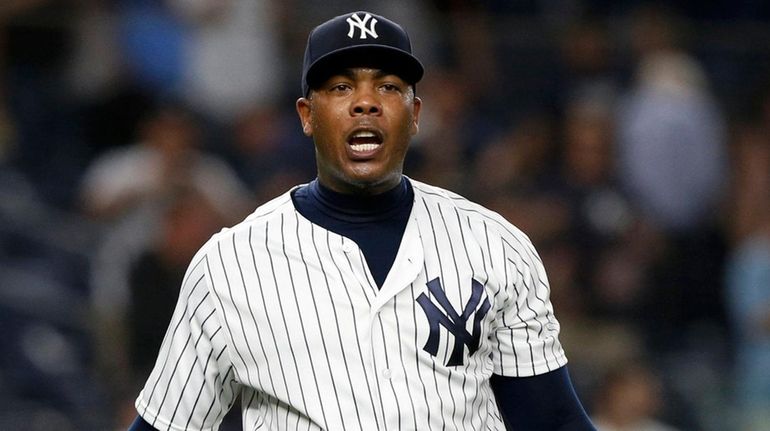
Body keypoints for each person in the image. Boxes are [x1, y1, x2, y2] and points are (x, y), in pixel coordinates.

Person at [128, 11, 595, 430]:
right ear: (307, 116)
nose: (365, 102)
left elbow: (553, 420)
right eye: (341, 87)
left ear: (414, 115)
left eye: (388, 86)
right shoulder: (228, 265)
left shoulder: (495, 244)